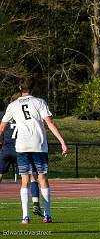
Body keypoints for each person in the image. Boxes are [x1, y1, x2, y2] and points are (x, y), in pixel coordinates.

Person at [0, 77, 68, 224]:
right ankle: (47, 215)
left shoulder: (13, 105)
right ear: (33, 88)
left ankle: (25, 217)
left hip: (22, 146)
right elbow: (49, 123)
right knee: (42, 179)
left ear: (20, 88)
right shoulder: (39, 102)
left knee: (24, 181)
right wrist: (62, 142)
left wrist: (0, 140)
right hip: (38, 145)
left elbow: (1, 127)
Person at [0, 94, 43, 217]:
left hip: (6, 150)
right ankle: (35, 203)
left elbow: (1, 129)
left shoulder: (4, 115)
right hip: (21, 149)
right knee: (32, 177)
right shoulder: (26, 115)